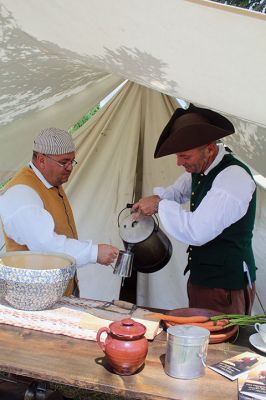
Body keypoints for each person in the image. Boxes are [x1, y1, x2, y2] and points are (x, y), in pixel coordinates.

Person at [132, 104, 257, 314]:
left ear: (209, 149)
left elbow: (197, 231)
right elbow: (178, 192)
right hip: (204, 279)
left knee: (222, 346)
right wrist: (157, 198)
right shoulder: (202, 168)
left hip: (224, 286)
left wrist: (159, 205)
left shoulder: (233, 178)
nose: (179, 162)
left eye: (185, 156)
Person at [0, 127, 119, 296]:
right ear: (41, 160)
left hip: (57, 289)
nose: (70, 167)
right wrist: (94, 252)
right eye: (64, 162)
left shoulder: (50, 182)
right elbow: (46, 246)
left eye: (72, 161)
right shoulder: (22, 193)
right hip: (33, 295)